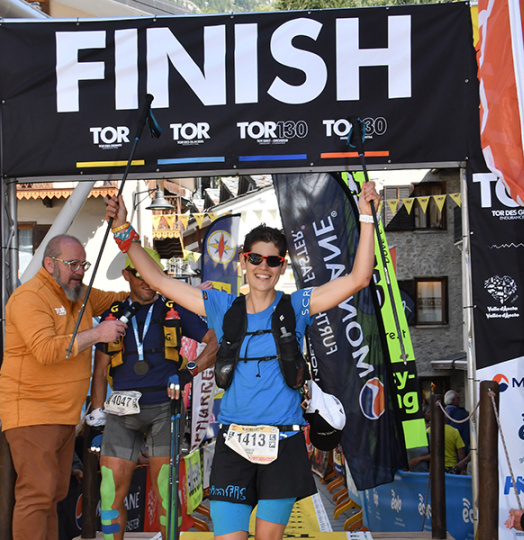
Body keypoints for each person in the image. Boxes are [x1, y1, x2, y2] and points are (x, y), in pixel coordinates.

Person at [105, 180, 380, 540]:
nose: (262, 267)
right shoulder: (221, 306)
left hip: (283, 442)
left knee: (268, 538)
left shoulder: (297, 305)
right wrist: (122, 230)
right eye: (255, 258)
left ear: (282, 267)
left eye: (273, 261)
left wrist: (366, 216)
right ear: (242, 261)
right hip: (233, 443)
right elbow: (156, 278)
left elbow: (359, 278)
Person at [0, 234, 129, 540]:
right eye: (72, 264)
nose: (80, 270)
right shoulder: (29, 297)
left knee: (54, 494)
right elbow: (45, 350)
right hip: (32, 414)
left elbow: (119, 299)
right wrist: (98, 333)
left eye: (83, 264)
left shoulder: (76, 293)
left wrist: (153, 283)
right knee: (36, 495)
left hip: (66, 417)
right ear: (49, 264)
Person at [87, 249, 218, 539]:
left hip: (164, 408)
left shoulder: (175, 307)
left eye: (151, 275)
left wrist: (189, 372)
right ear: (127, 276)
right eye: (140, 275)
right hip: (121, 412)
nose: (147, 281)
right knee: (109, 492)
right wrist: (97, 422)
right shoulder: (115, 314)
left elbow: (214, 342)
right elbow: (99, 373)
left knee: (166, 492)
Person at [444, 389, 470, 454]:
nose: (460, 400)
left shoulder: (442, 412)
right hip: (458, 451)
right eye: (458, 398)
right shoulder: (461, 414)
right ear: (453, 400)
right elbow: (464, 434)